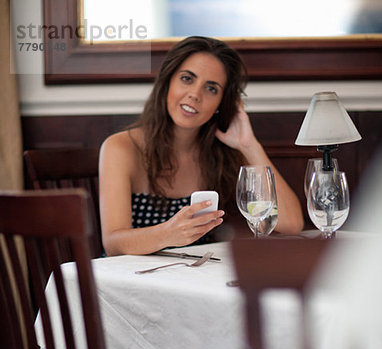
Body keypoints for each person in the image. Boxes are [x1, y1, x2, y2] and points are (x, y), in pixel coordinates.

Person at [99, 36, 304, 256]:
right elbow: (113, 244)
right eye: (187, 79)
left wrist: (249, 145)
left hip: (192, 278)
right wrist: (169, 233)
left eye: (211, 89)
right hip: (127, 280)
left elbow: (291, 224)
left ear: (221, 103)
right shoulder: (120, 147)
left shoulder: (224, 152)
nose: (195, 95)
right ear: (167, 81)